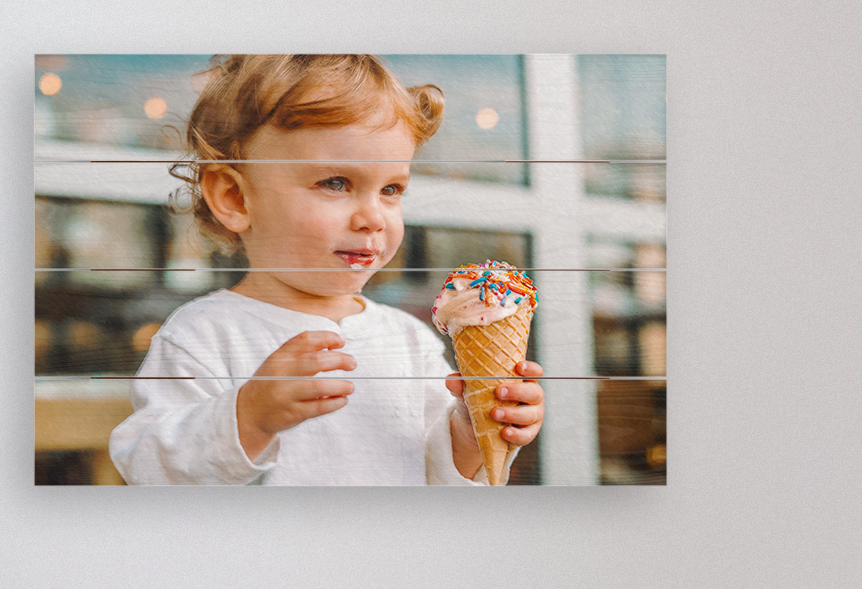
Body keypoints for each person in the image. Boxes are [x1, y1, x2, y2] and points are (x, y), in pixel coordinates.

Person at [108, 55, 544, 485]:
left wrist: (469, 437)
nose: (373, 217)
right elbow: (147, 468)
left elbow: (436, 474)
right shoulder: (202, 335)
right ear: (236, 199)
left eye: (391, 189)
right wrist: (247, 418)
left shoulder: (409, 339)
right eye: (335, 183)